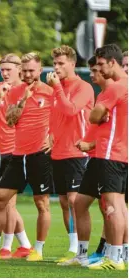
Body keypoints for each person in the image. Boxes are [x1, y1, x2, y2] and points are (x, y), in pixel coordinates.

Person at [0, 52, 54, 262]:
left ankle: (38, 249)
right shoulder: (16, 91)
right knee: (0, 199)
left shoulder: (50, 92)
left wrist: (52, 138)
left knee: (41, 203)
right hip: (18, 155)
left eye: (31, 71)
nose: (27, 75)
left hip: (39, 155)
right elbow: (9, 120)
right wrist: (23, 100)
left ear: (40, 71)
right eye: (25, 71)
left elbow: (61, 119)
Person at [58, 56, 112, 267]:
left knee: (112, 206)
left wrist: (90, 144)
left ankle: (116, 254)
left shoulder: (117, 92)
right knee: (79, 203)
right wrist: (90, 144)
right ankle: (82, 254)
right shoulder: (103, 94)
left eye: (95, 70)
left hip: (112, 159)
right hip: (96, 158)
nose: (92, 74)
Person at [79, 44, 127, 270]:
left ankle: (114, 258)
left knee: (112, 206)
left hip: (111, 152)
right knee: (120, 206)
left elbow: (93, 116)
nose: (98, 69)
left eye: (100, 64)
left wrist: (98, 113)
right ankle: (122, 255)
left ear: (112, 62)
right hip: (122, 153)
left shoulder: (115, 88)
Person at [46, 45, 94, 263]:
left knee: (76, 201)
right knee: (65, 202)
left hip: (78, 152)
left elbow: (70, 110)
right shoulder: (56, 88)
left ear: (73, 64)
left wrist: (56, 88)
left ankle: (83, 252)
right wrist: (49, 134)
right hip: (58, 153)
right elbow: (56, 116)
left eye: (61, 63)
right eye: (55, 63)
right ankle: (73, 247)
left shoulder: (83, 87)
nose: (56, 67)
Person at [0, 53, 31, 260]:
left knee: (5, 202)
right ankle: (25, 245)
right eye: (2, 69)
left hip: (16, 151)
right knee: (3, 202)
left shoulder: (26, 90)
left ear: (19, 70)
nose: (4, 73)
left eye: (8, 70)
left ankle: (4, 247)